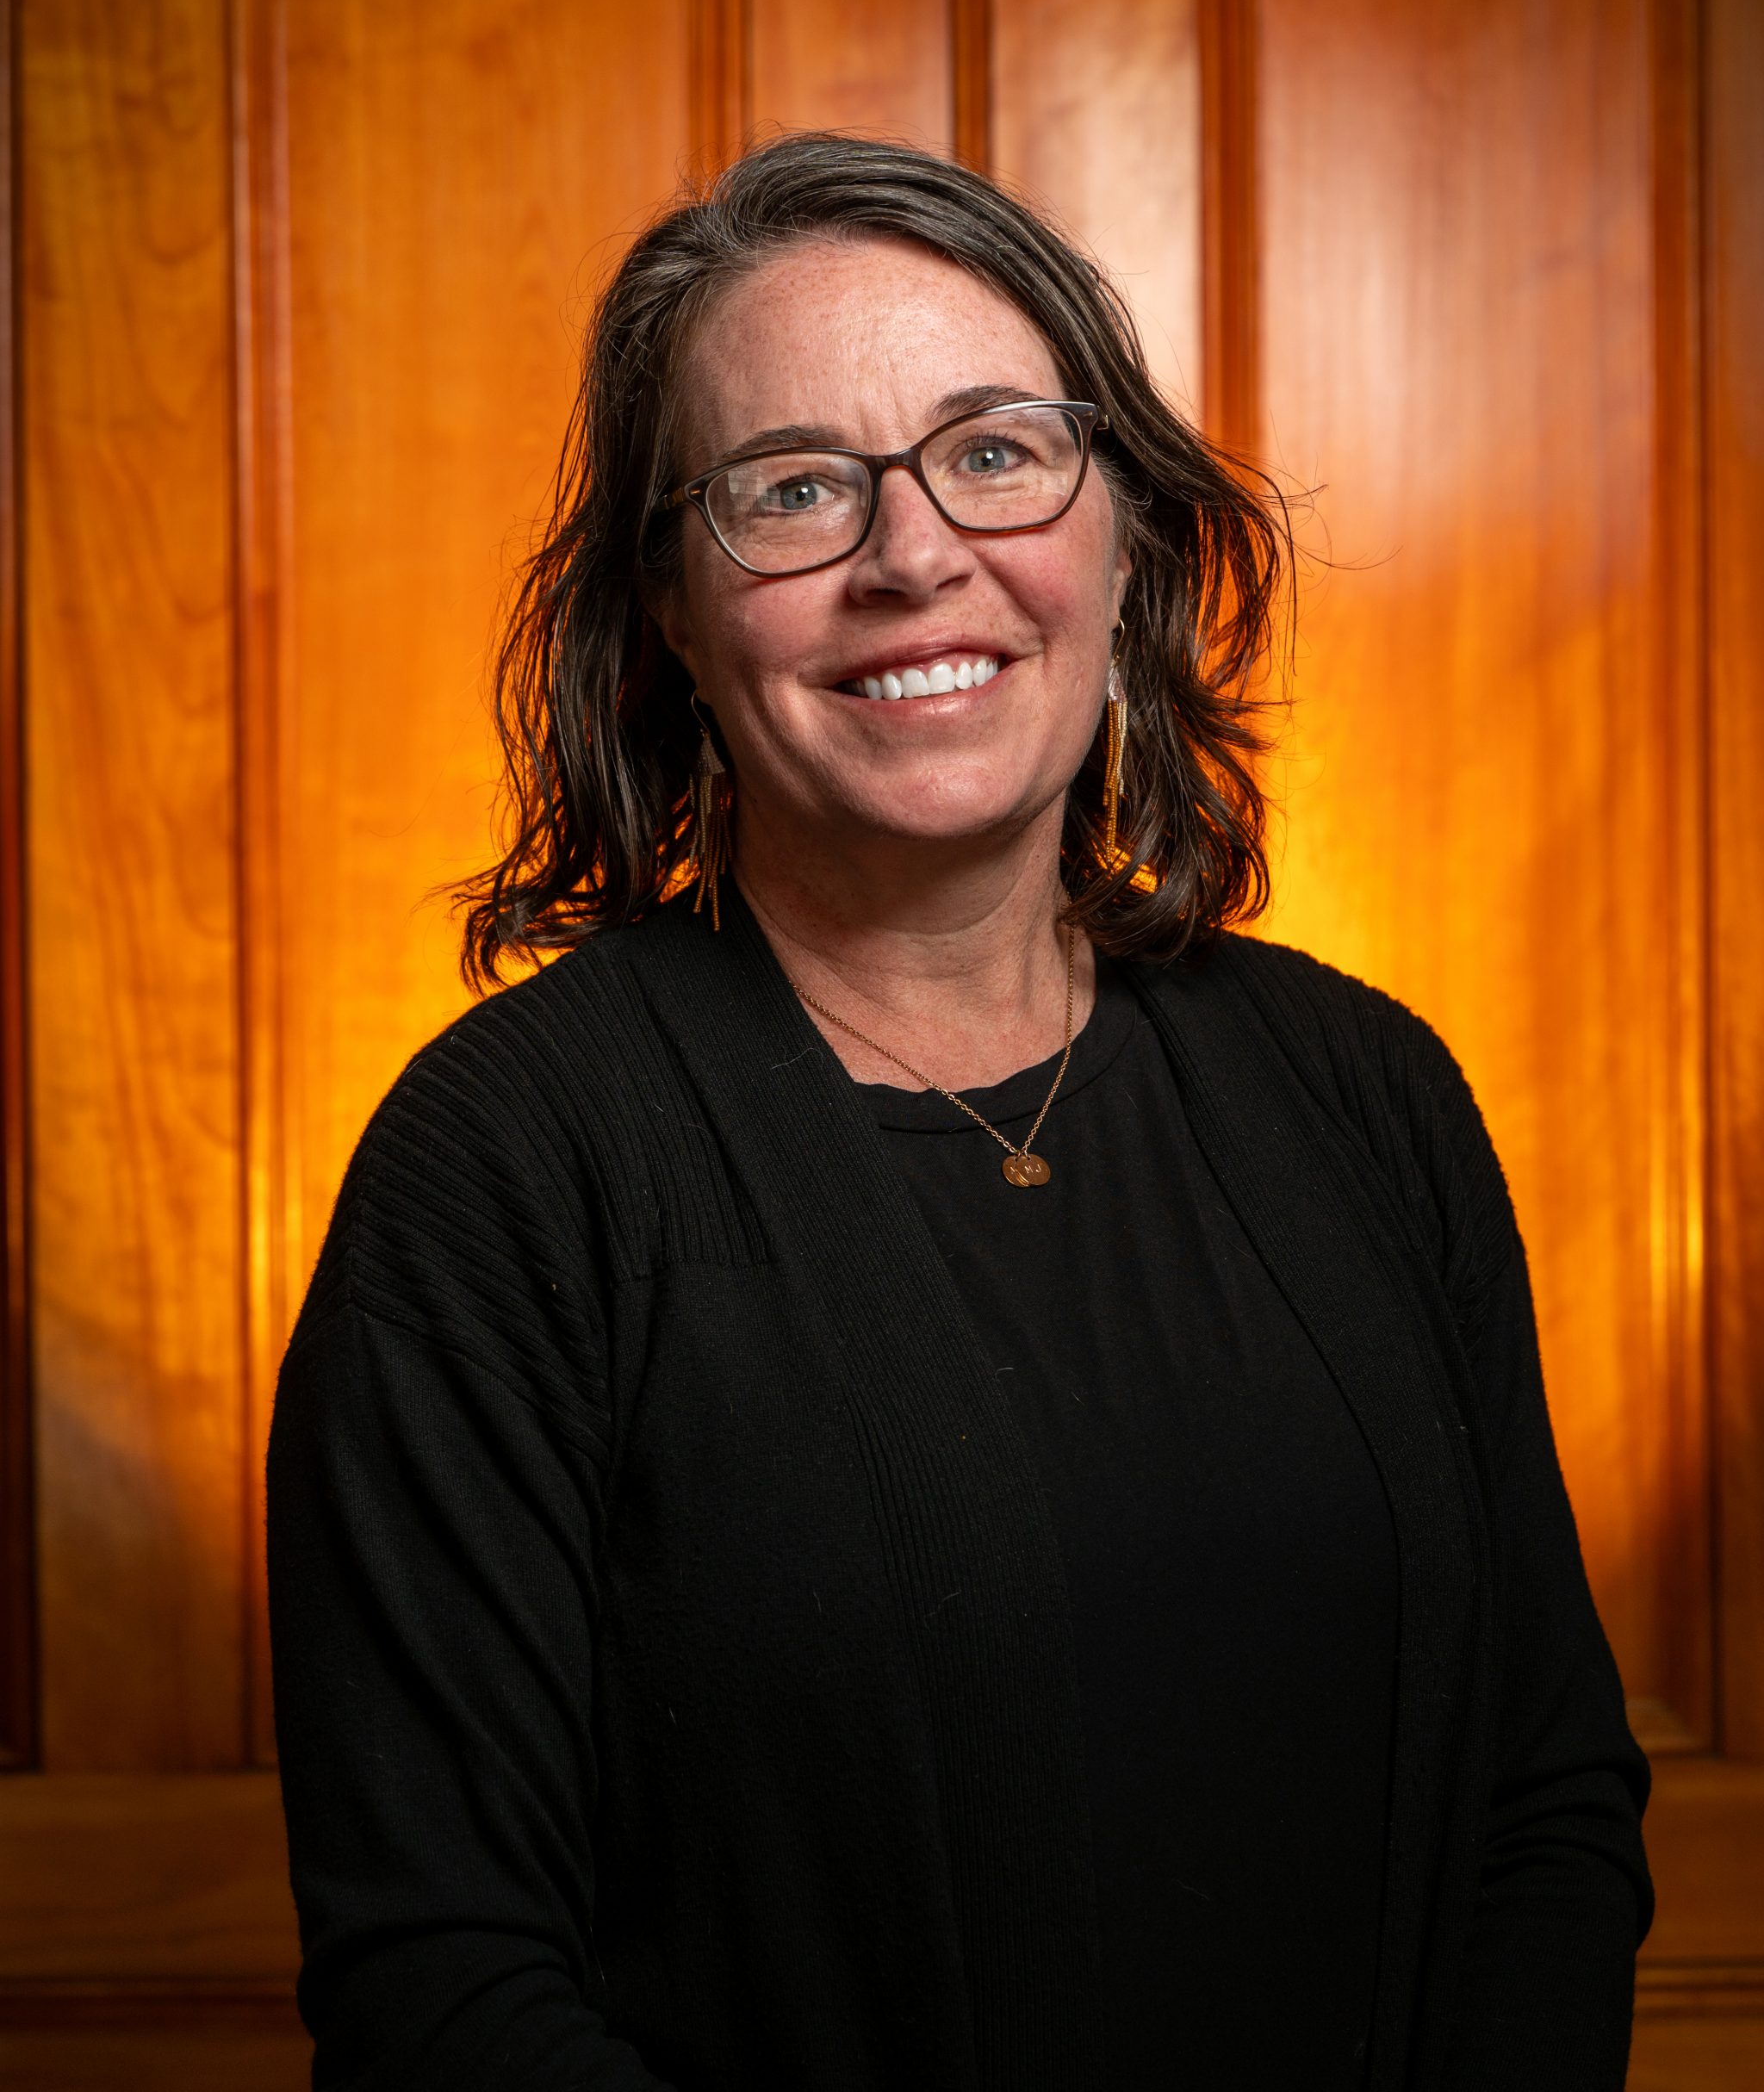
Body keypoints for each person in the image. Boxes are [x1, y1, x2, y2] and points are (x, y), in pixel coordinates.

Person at [266, 133, 1652, 2092]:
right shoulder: (503, 1173)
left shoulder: (1365, 1091)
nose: (915, 553)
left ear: (1123, 533)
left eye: (995, 450)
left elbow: (1548, 1802)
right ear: (670, 606)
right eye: (798, 489)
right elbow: (444, 1985)